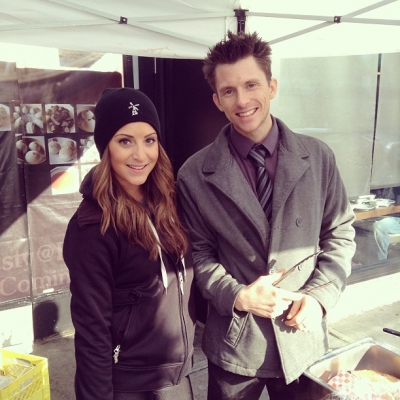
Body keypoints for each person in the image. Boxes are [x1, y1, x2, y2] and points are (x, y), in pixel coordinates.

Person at [177, 31, 356, 400]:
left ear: (272, 86)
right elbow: (198, 253)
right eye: (229, 91)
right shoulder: (194, 174)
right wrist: (238, 295)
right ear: (217, 100)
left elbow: (339, 233)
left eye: (251, 84)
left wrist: (320, 296)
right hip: (236, 343)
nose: (242, 100)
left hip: (302, 336)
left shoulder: (318, 157)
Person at [63, 88, 196, 400]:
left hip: (179, 377)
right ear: (105, 147)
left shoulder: (169, 202)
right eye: (125, 141)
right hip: (131, 386)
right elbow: (92, 332)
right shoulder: (92, 228)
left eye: (149, 140)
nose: (141, 155)